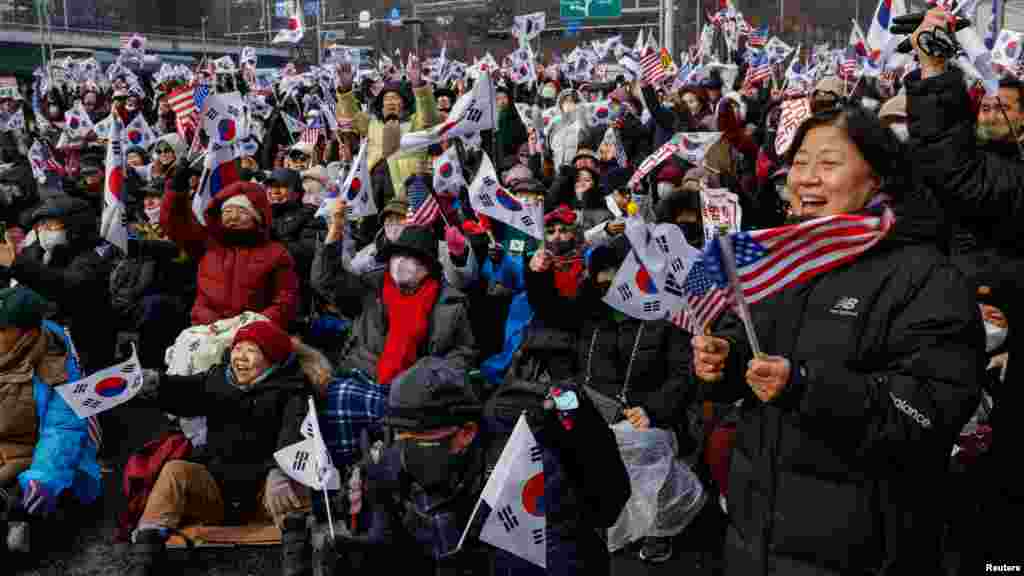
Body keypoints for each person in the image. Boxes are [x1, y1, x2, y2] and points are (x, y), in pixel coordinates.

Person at [691, 103, 982, 574]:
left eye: (828, 164)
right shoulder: (780, 261)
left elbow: (929, 408)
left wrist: (804, 386)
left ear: (878, 179)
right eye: (801, 163)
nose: (806, 178)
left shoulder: (925, 276)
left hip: (865, 552)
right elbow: (751, 355)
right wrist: (723, 362)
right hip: (755, 542)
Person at [904, 6, 1024, 567]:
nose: (995, 102)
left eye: (1009, 104)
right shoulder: (985, 161)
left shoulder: (1009, 175)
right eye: (991, 96)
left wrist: (935, 72)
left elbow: (958, 175)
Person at [334, 358, 630, 576]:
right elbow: (397, 544)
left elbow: (558, 557)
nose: (404, 448)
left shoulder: (524, 466)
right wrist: (367, 555)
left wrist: (484, 565)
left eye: (417, 439)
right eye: (400, 436)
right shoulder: (393, 464)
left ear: (466, 433)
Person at [126, 321, 315, 576]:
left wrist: (278, 470)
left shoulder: (292, 389)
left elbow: (293, 435)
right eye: (238, 349)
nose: (241, 357)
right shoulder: (218, 378)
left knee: (294, 482)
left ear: (271, 359)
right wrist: (157, 384)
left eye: (252, 351)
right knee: (175, 472)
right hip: (217, 490)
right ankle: (146, 555)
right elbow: (184, 391)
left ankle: (297, 561)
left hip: (265, 493)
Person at [311, 203, 475, 464]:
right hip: (363, 377)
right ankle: (346, 473)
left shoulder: (449, 303)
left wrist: (431, 379)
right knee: (338, 398)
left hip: (417, 391)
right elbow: (325, 281)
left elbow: (461, 353)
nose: (402, 264)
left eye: (412, 258)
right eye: (397, 256)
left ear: (428, 267)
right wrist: (335, 231)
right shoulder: (370, 288)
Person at [0, 286, 101, 559]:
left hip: (39, 463)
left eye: (2, 330)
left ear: (28, 334)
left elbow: (63, 430)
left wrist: (43, 479)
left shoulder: (60, 364)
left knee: (35, 508)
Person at [160, 163, 300, 329]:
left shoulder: (276, 253)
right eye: (227, 212)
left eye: (241, 212)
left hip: (253, 333)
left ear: (257, 218)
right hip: (208, 330)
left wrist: (252, 325)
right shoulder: (208, 243)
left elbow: (285, 300)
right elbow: (178, 223)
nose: (233, 217)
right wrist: (176, 191)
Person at [0, 197, 118, 371]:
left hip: (78, 348)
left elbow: (66, 285)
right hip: (34, 340)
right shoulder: (35, 251)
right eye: (40, 226)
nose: (44, 231)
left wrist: (17, 265)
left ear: (75, 227)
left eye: (52, 225)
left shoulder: (93, 258)